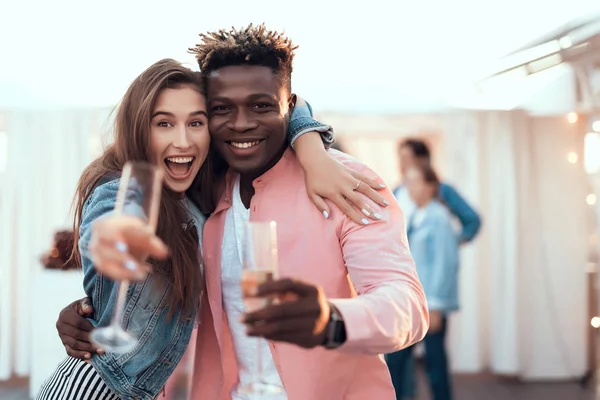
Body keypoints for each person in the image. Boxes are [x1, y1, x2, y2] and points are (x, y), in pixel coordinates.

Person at [39, 58, 386, 400]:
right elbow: (107, 223)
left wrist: (311, 147)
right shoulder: (118, 188)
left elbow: (282, 105)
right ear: (138, 129)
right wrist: (107, 239)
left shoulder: (202, 191)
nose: (183, 141)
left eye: (196, 122)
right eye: (163, 124)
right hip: (96, 390)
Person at [386, 164, 459, 400]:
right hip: (412, 303)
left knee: (435, 365)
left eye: (415, 181)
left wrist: (436, 305)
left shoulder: (438, 216)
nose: (410, 188)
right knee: (397, 358)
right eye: (407, 182)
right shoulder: (418, 214)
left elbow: (445, 263)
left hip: (430, 304)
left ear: (431, 187)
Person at [394, 139, 481, 244]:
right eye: (400, 158)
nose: (401, 164)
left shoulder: (442, 190)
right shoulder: (397, 192)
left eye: (406, 158)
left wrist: (451, 243)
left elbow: (472, 220)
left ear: (422, 160)